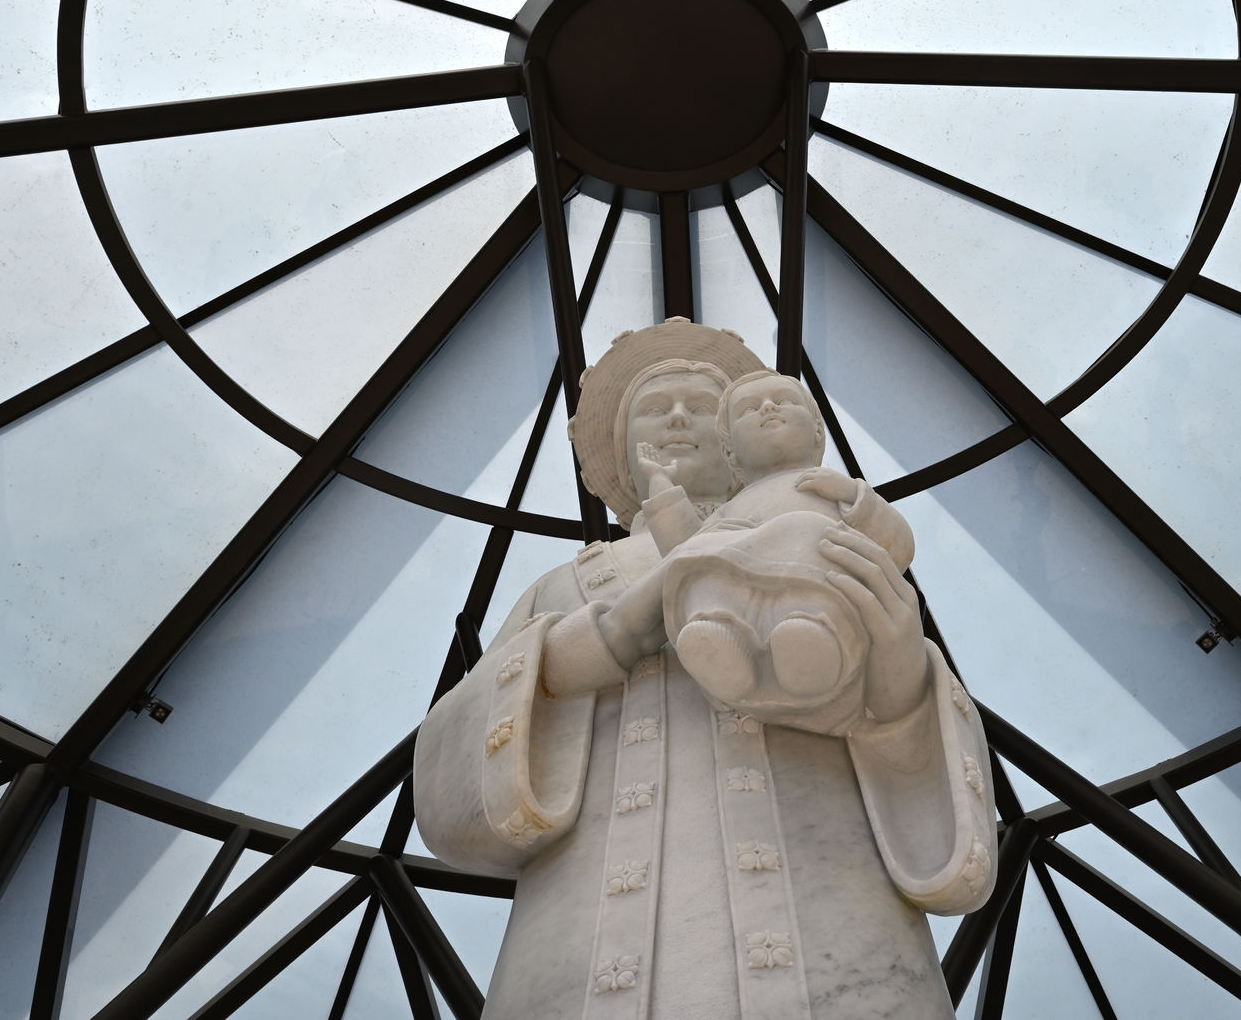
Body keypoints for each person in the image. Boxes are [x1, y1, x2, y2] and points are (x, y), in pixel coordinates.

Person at [414, 318, 996, 1020]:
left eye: (702, 405)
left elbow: (913, 730)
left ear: (737, 444)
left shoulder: (829, 530)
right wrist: (612, 632)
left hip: (833, 922)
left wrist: (904, 677)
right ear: (625, 461)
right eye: (657, 409)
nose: (681, 416)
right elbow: (448, 782)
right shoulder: (564, 585)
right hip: (587, 935)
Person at [634, 369, 917, 736]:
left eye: (783, 401)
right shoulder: (731, 510)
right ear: (730, 450)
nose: (768, 408)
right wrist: (660, 483)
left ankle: (811, 642)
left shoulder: (832, 491)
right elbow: (682, 551)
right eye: (749, 409)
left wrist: (851, 495)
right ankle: (718, 642)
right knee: (704, 564)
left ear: (818, 431)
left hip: (813, 585)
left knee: (809, 559)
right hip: (738, 589)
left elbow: (898, 547)